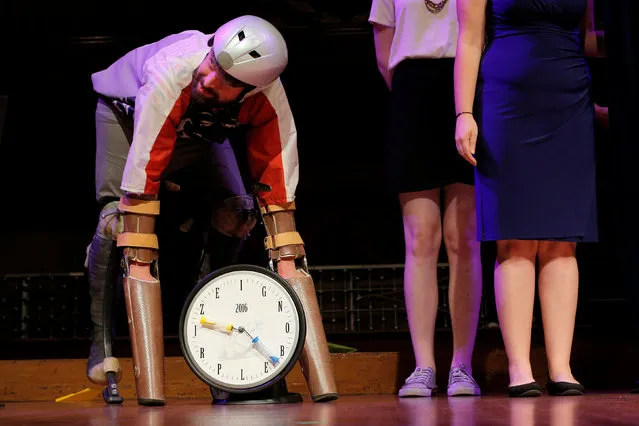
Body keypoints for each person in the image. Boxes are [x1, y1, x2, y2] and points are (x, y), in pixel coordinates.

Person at [85, 15, 338, 405]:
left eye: (226, 79)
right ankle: (102, 349)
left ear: (250, 91)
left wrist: (287, 259)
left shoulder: (268, 98)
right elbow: (144, 174)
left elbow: (279, 187)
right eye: (213, 63)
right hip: (130, 113)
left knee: (240, 213)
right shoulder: (173, 72)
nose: (207, 77)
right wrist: (138, 246)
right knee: (117, 224)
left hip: (198, 127)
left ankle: (215, 347)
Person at [454, 0, 603, 397]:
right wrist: (463, 113)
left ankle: (561, 367)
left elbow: (586, 36)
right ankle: (520, 368)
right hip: (507, 101)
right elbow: (469, 39)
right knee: (515, 237)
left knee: (563, 239)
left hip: (569, 100)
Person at [369, 0, 483, 397]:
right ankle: (423, 366)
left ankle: (462, 366)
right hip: (412, 93)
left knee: (463, 239)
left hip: (467, 87)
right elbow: (384, 54)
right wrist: (410, 97)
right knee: (420, 239)